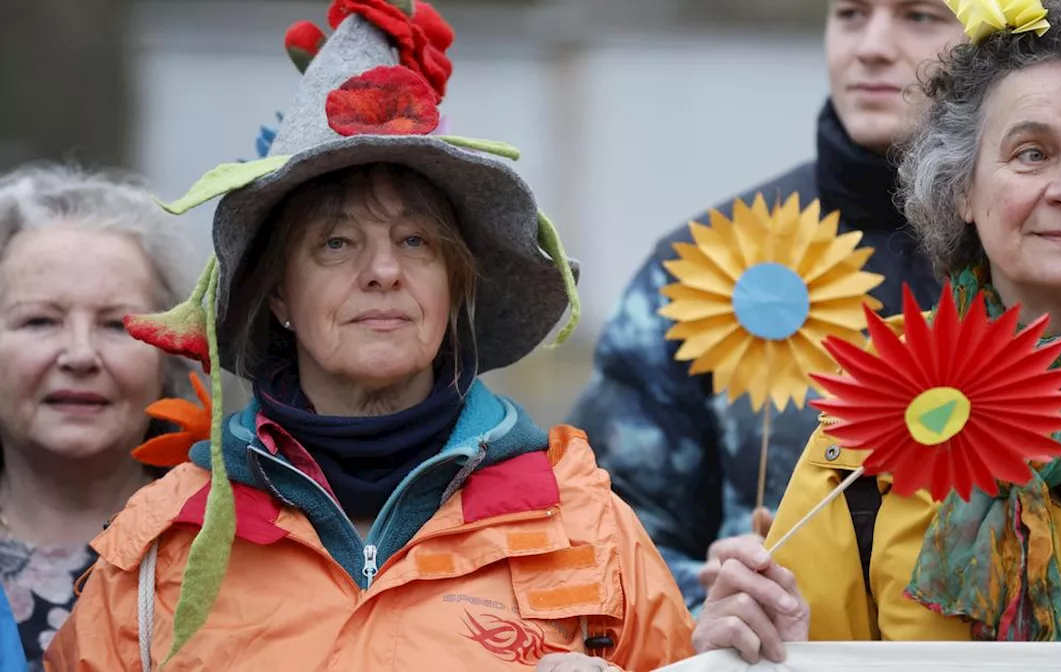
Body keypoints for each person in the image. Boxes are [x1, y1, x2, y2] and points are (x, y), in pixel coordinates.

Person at [46, 2, 694, 671]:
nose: (384, 272)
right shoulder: (161, 548)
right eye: (336, 243)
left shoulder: (588, 526)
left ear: (454, 287)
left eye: (415, 241)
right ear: (278, 295)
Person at [692, 0, 1061, 669]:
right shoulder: (872, 415)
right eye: (1031, 153)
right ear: (963, 190)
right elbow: (812, 649)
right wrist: (778, 646)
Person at [566, 0, 966, 614]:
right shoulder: (708, 267)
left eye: (921, 16)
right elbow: (605, 529)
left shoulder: (1054, 262)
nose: (872, 46)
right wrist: (708, 615)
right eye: (851, 14)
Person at [0, 164, 197, 668]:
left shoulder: (236, 545)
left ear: (169, 354)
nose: (81, 355)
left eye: (117, 324)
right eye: (40, 320)